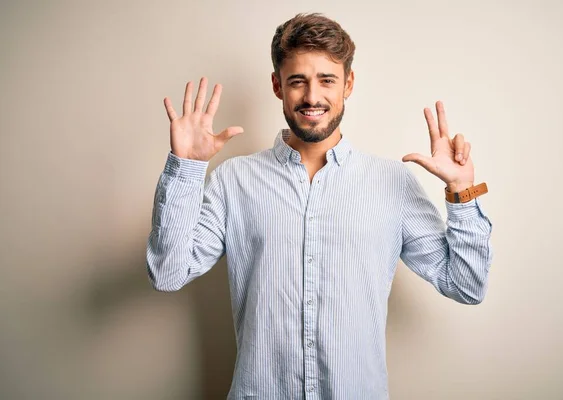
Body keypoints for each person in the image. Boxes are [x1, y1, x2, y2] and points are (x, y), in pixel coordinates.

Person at [146, 12, 493, 400]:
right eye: (298, 81)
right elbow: (168, 273)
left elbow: (466, 285)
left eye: (327, 80)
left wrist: (462, 192)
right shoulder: (233, 180)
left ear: (348, 84)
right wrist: (187, 168)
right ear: (278, 85)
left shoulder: (392, 183)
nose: (312, 97)